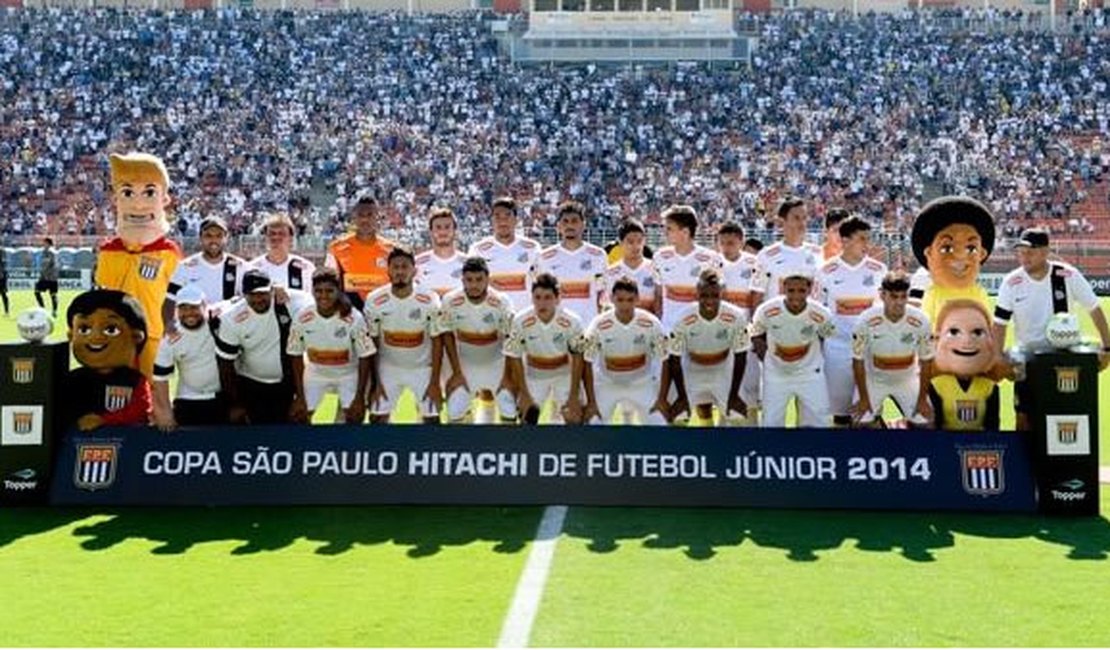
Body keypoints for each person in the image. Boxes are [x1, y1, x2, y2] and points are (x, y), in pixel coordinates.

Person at [992, 227, 1110, 430]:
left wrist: (1107, 348)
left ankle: (1067, 461)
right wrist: (997, 358)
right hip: (1028, 360)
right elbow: (999, 324)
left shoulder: (1067, 275)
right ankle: (1024, 461)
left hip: (1063, 359)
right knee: (1023, 418)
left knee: (1066, 417)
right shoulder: (1011, 282)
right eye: (1021, 252)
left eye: (1031, 251)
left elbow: (1094, 309)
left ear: (1046, 251)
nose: (1024, 257)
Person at [94, 153, 182, 379]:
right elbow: (103, 291)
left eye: (149, 192)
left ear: (164, 198)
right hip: (116, 334)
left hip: (153, 332)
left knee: (151, 390)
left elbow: (176, 295)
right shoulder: (109, 251)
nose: (139, 203)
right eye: (128, 192)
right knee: (116, 388)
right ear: (116, 198)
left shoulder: (168, 251)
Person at [215, 269, 312, 425]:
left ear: (272, 290)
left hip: (288, 383)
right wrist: (235, 403)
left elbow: (325, 302)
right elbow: (225, 364)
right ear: (244, 294)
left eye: (263, 293)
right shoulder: (231, 318)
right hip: (250, 384)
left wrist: (301, 397)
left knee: (296, 434)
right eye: (252, 295)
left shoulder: (291, 301)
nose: (258, 299)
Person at [815, 215, 886, 426]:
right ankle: (841, 455)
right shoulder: (825, 271)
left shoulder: (878, 270)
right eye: (862, 239)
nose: (867, 244)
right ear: (845, 240)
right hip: (837, 348)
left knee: (868, 411)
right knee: (841, 412)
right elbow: (818, 313)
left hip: (869, 349)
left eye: (868, 239)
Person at [364, 245, 446, 424]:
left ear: (414, 271)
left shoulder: (429, 299)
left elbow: (437, 342)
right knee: (377, 418)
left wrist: (434, 382)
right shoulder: (375, 300)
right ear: (388, 270)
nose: (400, 271)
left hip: (422, 368)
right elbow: (373, 344)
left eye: (405, 267)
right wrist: (375, 383)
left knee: (432, 421)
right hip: (388, 367)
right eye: (395, 267)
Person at [287, 268, 376, 425]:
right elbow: (295, 355)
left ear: (338, 291)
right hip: (316, 373)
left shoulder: (353, 317)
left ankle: (344, 446)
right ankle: (308, 448)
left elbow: (365, 356)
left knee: (355, 416)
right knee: (297, 416)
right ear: (312, 291)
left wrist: (360, 396)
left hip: (348, 374)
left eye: (329, 291)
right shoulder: (302, 317)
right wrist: (300, 396)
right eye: (318, 291)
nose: (323, 296)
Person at [750, 268, 835, 428]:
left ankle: (812, 452)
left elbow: (826, 337)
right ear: (783, 288)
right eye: (791, 290)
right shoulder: (766, 310)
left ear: (809, 290)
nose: (796, 296)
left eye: (802, 290)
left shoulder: (821, 314)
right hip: (776, 375)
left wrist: (811, 361)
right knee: (771, 423)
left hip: (809, 374)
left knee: (817, 422)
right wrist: (767, 358)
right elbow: (755, 333)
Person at [579, 277, 670, 425]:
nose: (625, 305)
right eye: (620, 300)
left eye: (630, 300)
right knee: (593, 423)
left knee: (659, 423)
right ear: (611, 299)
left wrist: (661, 399)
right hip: (608, 384)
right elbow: (587, 361)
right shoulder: (598, 325)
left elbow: (665, 359)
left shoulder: (651, 323)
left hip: (642, 383)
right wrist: (591, 402)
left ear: (638, 299)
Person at [667, 269, 751, 426]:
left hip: (722, 369)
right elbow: (674, 360)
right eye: (704, 295)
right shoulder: (682, 318)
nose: (709, 301)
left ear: (722, 294)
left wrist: (734, 395)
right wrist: (681, 396)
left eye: (715, 295)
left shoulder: (736, 317)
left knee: (737, 416)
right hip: (692, 369)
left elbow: (741, 356)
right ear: (697, 293)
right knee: (678, 416)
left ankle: (732, 449)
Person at [851, 272, 934, 428]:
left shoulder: (921, 320)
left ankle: (905, 433)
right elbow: (858, 361)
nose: (899, 302)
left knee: (927, 422)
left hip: (907, 380)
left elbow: (927, 361)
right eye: (894, 297)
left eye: (903, 297)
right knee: (859, 421)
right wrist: (863, 398)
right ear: (882, 295)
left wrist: (922, 399)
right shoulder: (865, 320)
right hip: (874, 380)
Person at [438, 256, 515, 423]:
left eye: (479, 279)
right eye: (469, 280)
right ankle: (466, 444)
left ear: (488, 278)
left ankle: (505, 446)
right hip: (464, 365)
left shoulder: (502, 301)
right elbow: (447, 336)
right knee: (454, 412)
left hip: (496, 364)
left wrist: (507, 376)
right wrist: (456, 373)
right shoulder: (450, 300)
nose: (474, 285)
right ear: (462, 280)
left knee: (509, 409)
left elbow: (510, 340)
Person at [502, 273, 585, 425]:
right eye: (537, 297)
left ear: (558, 298)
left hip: (563, 374)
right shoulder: (520, 321)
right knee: (527, 417)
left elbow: (579, 357)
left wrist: (573, 396)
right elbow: (514, 356)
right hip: (535, 374)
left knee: (574, 417)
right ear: (532, 298)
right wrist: (524, 394)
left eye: (548, 297)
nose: (542, 303)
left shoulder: (573, 321)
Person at [65, 289, 152, 431]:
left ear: (136, 337)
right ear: (71, 336)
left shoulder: (134, 380)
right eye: (84, 329)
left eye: (111, 329)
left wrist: (104, 420)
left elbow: (141, 411)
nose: (95, 337)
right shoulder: (72, 379)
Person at [151, 285, 227, 430]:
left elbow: (239, 301)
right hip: (188, 399)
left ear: (204, 306)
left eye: (194, 307)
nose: (189, 313)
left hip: (222, 398)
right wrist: (166, 412)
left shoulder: (219, 320)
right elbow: (160, 378)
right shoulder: (170, 336)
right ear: (176, 311)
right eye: (183, 308)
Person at [912, 196, 994, 324]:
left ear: (982, 254)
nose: (960, 255)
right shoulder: (926, 286)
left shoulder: (979, 295)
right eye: (946, 248)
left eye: (971, 248)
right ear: (929, 253)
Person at [928, 299, 1000, 432]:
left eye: (977, 333)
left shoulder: (989, 387)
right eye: (954, 332)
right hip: (946, 443)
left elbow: (993, 426)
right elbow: (935, 425)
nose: (966, 342)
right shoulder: (937, 385)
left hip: (978, 446)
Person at [535, 201, 608, 326]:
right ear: (558, 226)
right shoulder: (544, 257)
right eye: (565, 221)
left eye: (574, 221)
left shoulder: (598, 255)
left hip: (588, 326)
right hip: (556, 328)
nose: (570, 225)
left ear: (583, 225)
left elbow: (601, 293)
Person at [652, 204, 722, 333]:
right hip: (669, 330)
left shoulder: (710, 259)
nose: (664, 232)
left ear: (685, 232)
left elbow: (718, 297)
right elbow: (658, 296)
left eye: (669, 229)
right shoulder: (660, 257)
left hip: (700, 332)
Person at [165, 216, 246, 327]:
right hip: (195, 332)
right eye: (208, 235)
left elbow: (249, 299)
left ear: (226, 238)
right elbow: (170, 300)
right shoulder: (185, 267)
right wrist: (169, 326)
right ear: (200, 238)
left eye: (219, 236)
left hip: (229, 330)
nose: (213, 240)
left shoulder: (240, 267)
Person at [467, 196, 541, 311]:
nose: (502, 221)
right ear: (491, 220)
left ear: (516, 220)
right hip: (490, 318)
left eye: (507, 215)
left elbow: (542, 284)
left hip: (524, 317)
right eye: (497, 216)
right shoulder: (478, 250)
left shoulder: (532, 248)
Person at [750, 197, 822, 310]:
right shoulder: (766, 255)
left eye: (804, 218)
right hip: (776, 323)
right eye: (796, 218)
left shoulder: (819, 254)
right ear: (782, 221)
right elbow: (756, 296)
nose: (802, 223)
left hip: (809, 324)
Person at [325, 193, 394, 312]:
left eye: (370, 215)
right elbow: (328, 281)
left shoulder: (391, 250)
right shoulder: (336, 248)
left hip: (383, 313)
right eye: (361, 215)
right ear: (354, 218)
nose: (365, 219)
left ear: (378, 217)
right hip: (348, 315)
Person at [602, 219, 659, 315]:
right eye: (630, 242)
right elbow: (606, 306)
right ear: (620, 243)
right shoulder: (610, 273)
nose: (636, 246)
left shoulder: (655, 270)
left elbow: (660, 304)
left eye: (639, 241)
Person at [250, 212, 316, 292]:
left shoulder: (306, 268)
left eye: (281, 234)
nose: (276, 238)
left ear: (290, 239)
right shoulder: (252, 268)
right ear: (265, 238)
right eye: (272, 234)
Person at [416, 207, 466, 298]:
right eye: (438, 227)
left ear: (455, 231)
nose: (443, 232)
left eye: (447, 227)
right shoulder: (417, 264)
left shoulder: (468, 263)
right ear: (430, 232)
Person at [35, 237, 59, 318]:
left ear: (48, 243)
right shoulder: (44, 252)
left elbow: (51, 264)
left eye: (44, 243)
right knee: (37, 291)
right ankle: (44, 309)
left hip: (50, 277)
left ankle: (53, 311)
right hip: (46, 276)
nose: (43, 244)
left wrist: (44, 274)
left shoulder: (51, 252)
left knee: (53, 294)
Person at [0, 246, 9, 317]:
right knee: (3, 294)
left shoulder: (2, 250)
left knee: (3, 293)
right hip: (2, 275)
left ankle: (6, 311)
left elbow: (3, 264)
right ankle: (6, 311)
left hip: (1, 276)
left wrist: (2, 274)